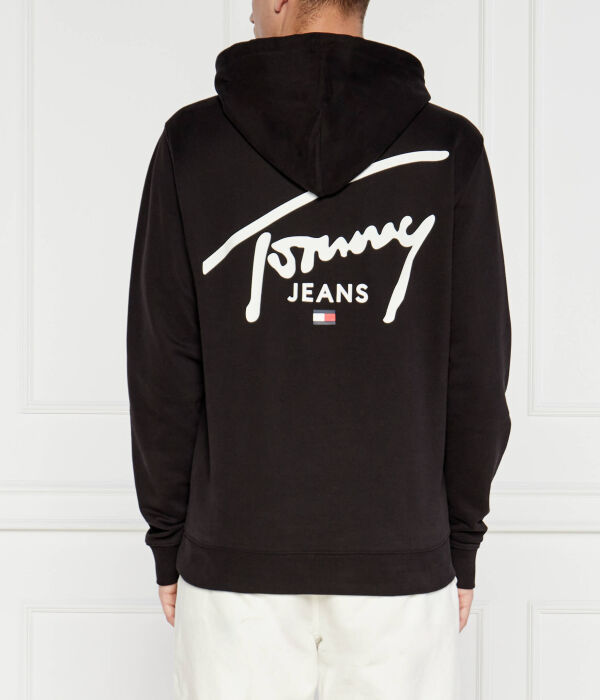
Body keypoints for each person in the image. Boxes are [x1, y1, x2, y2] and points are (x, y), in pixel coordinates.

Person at [126, 0, 512, 697]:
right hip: (399, 564)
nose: (249, 13)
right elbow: (477, 371)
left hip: (236, 566)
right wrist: (460, 540)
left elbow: (163, 368)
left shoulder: (194, 145)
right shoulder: (449, 150)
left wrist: (169, 537)